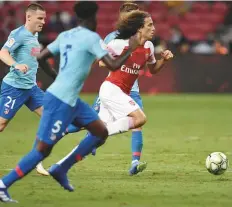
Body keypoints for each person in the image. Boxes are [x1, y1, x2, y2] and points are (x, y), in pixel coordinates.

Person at [0, 1, 141, 203]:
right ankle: (4, 184)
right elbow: (113, 64)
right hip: (60, 101)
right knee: (42, 150)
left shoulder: (65, 35)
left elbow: (41, 57)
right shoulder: (91, 38)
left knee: (100, 131)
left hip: (70, 99)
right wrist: (131, 48)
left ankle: (60, 168)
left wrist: (55, 76)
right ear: (93, 18)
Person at [49, 10, 173, 192]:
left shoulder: (148, 47)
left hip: (121, 92)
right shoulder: (118, 43)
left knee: (97, 140)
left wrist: (164, 60)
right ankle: (100, 131)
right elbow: (99, 59)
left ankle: (60, 166)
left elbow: (153, 69)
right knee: (140, 118)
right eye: (149, 25)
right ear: (139, 28)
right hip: (110, 89)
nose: (153, 28)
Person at [65, 1, 149, 175]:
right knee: (93, 123)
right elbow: (102, 62)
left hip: (132, 89)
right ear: (123, 18)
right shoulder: (113, 38)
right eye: (132, 16)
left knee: (138, 123)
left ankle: (134, 162)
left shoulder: (144, 39)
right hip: (115, 88)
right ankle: (64, 130)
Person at [0, 3, 56, 177]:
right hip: (14, 88)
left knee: (50, 118)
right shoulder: (18, 34)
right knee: (1, 125)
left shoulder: (35, 35)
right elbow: (3, 53)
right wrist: (16, 65)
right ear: (28, 17)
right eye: (40, 18)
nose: (43, 21)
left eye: (44, 18)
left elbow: (37, 59)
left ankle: (36, 161)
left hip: (31, 88)